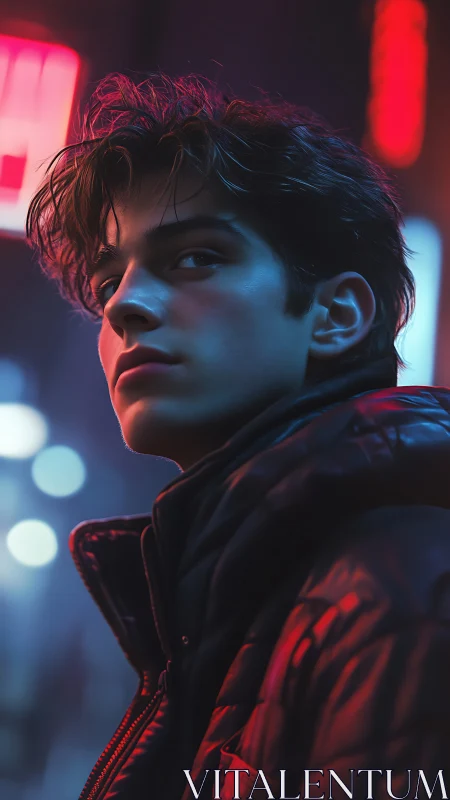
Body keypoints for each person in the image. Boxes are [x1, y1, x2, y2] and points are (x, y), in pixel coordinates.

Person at [26, 72, 450, 800]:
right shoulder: (254, 589)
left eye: (195, 258)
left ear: (336, 315)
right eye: (106, 283)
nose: (125, 305)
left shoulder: (399, 585)